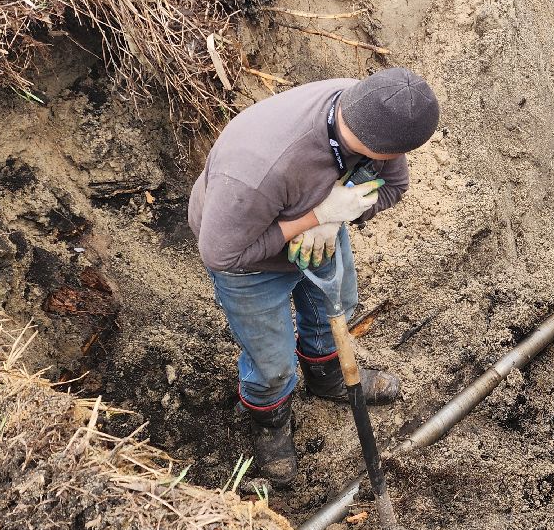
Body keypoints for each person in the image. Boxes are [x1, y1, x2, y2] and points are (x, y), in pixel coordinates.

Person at [188, 67, 440, 486]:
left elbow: (394, 186)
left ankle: (325, 379)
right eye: (379, 156)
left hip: (319, 236)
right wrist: (316, 216)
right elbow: (221, 254)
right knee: (272, 364)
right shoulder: (257, 170)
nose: (387, 163)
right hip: (248, 261)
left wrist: (342, 213)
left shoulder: (379, 116)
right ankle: (270, 423)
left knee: (335, 310)